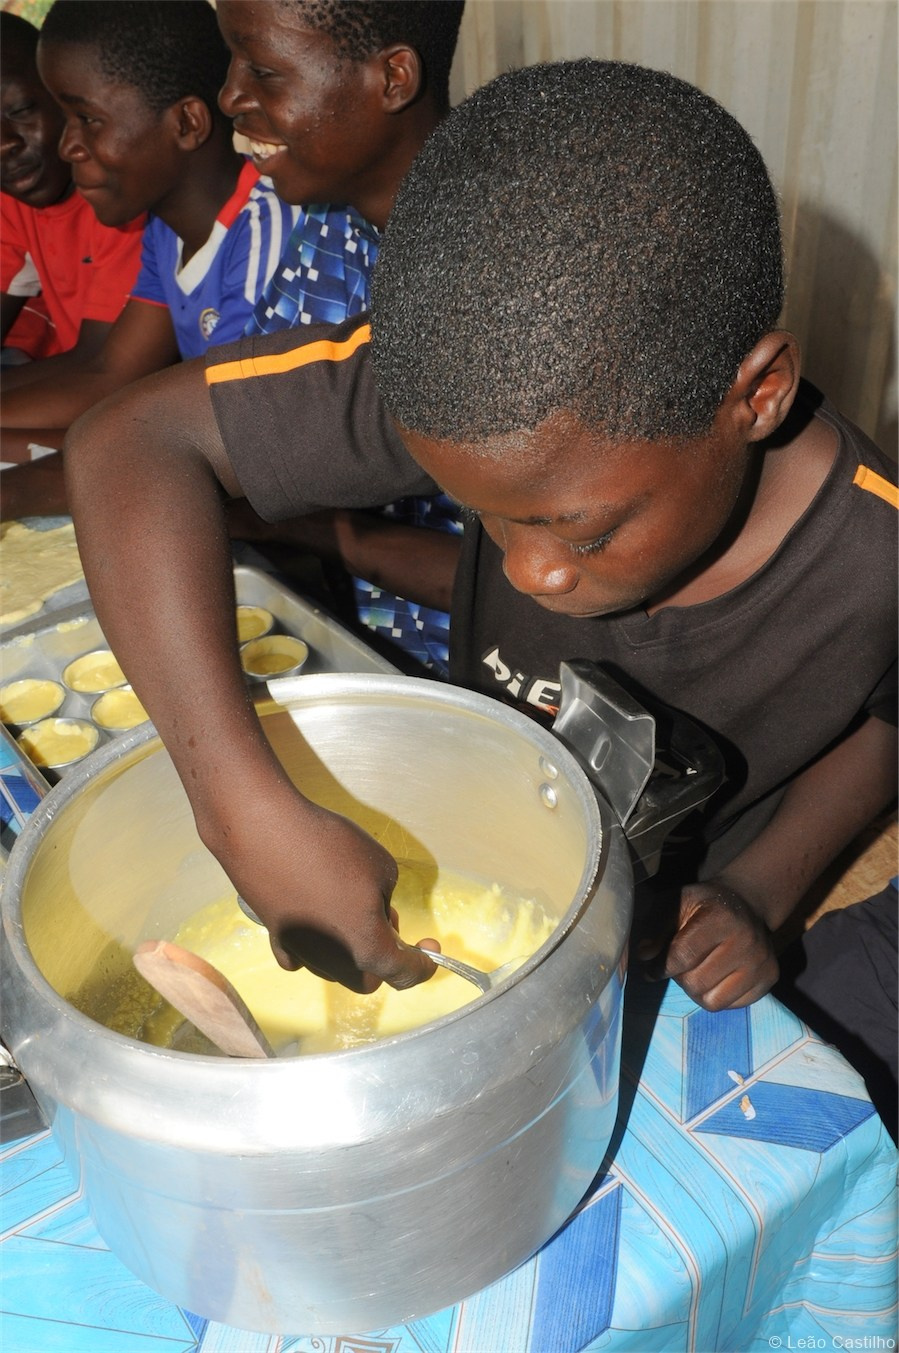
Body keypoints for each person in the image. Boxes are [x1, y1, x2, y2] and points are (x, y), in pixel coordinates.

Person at [64, 62, 897, 1023]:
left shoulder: (872, 558)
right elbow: (127, 442)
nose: (523, 569)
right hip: (484, 825)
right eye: (484, 512)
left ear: (756, 395)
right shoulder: (469, 392)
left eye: (577, 527)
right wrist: (240, 807)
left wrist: (760, 887)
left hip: (678, 908)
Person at [214, 0, 465, 676]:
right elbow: (256, 425)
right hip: (357, 631)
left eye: (263, 70)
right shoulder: (330, 224)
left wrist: (303, 527)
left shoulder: (488, 263)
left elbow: (512, 580)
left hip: (487, 681)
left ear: (391, 79)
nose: (229, 94)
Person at [0, 0, 299, 516]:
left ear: (186, 122)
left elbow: (211, 449)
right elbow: (110, 374)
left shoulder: (264, 240)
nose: (70, 147)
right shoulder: (166, 231)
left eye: (88, 119)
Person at [0, 12, 143, 423]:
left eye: (23, 109)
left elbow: (99, 367)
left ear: (67, 101)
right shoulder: (18, 200)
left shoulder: (120, 203)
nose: (5, 143)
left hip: (121, 408)